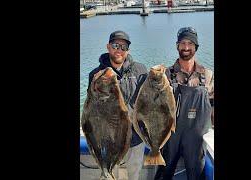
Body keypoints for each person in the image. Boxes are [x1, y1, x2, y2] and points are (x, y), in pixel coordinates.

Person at [154, 27, 214, 180]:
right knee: (163, 174)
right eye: (183, 43)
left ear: (196, 47)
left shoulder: (207, 75)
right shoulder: (165, 75)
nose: (186, 47)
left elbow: (212, 107)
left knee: (196, 175)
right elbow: (153, 108)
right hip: (169, 138)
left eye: (190, 44)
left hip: (196, 140)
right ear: (177, 46)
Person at [87, 30, 148, 180]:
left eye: (123, 47)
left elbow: (147, 101)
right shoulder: (96, 74)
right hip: (108, 139)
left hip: (136, 138)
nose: (119, 50)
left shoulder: (140, 70)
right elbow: (91, 109)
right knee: (111, 173)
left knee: (134, 174)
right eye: (115, 45)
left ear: (128, 50)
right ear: (108, 47)